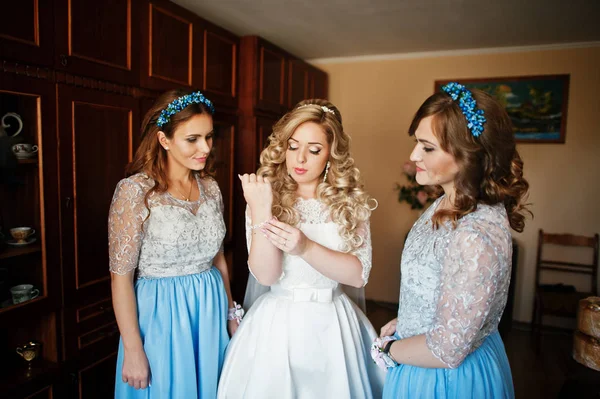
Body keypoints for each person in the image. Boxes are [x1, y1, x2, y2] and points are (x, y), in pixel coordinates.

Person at [217, 99, 386, 398]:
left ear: (331, 155)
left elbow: (358, 276)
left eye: (314, 149)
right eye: (293, 146)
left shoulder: (351, 204)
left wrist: (305, 247)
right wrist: (261, 210)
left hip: (333, 324)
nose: (301, 158)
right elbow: (267, 276)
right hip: (277, 325)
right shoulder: (267, 199)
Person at [374, 83, 530, 398]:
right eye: (416, 142)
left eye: (427, 147)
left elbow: (446, 349)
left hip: (444, 380)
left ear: (470, 155)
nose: (413, 154)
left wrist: (390, 350)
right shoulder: (449, 201)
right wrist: (409, 319)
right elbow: (448, 294)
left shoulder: (475, 235)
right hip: (426, 355)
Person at [109, 89, 239, 398]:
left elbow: (218, 258)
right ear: (164, 140)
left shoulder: (211, 187)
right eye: (192, 139)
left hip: (210, 309)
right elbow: (121, 278)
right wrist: (133, 348)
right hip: (161, 316)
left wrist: (231, 314)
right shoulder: (134, 192)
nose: (205, 147)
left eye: (208, 137)